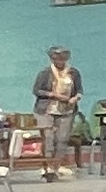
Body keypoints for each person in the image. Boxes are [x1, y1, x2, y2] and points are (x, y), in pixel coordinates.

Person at [33, 43, 84, 178]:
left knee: (62, 139)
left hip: (67, 110)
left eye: (63, 58)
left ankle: (58, 165)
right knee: (48, 138)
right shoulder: (45, 73)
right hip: (46, 110)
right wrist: (54, 95)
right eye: (57, 58)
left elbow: (79, 90)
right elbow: (37, 90)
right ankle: (47, 166)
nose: (60, 61)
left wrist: (75, 98)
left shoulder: (73, 72)